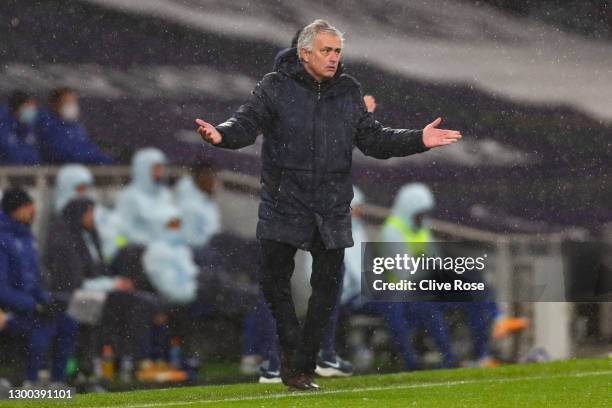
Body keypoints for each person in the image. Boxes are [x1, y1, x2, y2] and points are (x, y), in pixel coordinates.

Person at [195, 19, 461, 390]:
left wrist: (418, 139)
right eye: (326, 50)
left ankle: (302, 367)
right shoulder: (274, 87)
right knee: (274, 284)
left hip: (331, 207)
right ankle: (289, 351)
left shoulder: (348, 91)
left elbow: (374, 139)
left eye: (337, 51)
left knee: (328, 290)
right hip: (284, 203)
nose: (334, 58)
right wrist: (221, 135)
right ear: (304, 53)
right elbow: (245, 123)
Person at [0, 187, 77, 386]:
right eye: (27, 206)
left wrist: (46, 300)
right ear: (13, 209)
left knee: (67, 321)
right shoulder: (3, 239)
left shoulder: (27, 238)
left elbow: (33, 281)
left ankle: (58, 382)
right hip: (8, 310)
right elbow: (2, 288)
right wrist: (34, 306)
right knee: (43, 325)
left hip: (29, 305)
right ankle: (30, 382)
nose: (32, 211)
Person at [53, 164, 123, 260]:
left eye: (87, 188)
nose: (85, 194)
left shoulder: (97, 212)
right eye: (80, 189)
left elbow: (119, 236)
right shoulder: (61, 226)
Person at [37, 87, 113, 165]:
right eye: (67, 102)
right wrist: (97, 158)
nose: (72, 105)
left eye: (74, 102)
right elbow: (62, 152)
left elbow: (87, 146)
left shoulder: (75, 126)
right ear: (55, 104)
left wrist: (104, 158)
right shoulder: (46, 124)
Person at [115, 148, 175, 246]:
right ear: (144, 169)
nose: (161, 172)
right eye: (157, 168)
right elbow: (122, 232)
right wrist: (150, 243)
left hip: (168, 249)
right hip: (142, 251)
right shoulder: (130, 197)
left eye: (162, 168)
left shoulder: (165, 194)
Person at [175, 162, 221, 248]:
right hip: (197, 249)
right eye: (212, 179)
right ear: (202, 179)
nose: (215, 184)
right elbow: (190, 239)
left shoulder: (205, 201)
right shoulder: (190, 205)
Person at [0, 91, 41, 165]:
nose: (33, 111)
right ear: (20, 106)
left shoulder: (30, 127)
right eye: (30, 107)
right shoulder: (3, 124)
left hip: (29, 173)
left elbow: (34, 154)